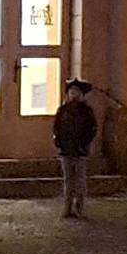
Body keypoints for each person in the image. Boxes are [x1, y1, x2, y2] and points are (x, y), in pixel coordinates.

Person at [52, 79, 98, 219]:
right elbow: (57, 128)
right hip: (66, 150)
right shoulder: (63, 110)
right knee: (68, 180)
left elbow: (92, 129)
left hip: (80, 151)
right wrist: (59, 143)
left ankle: (79, 208)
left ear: (81, 94)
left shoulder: (86, 111)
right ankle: (67, 208)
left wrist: (84, 144)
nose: (73, 94)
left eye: (76, 92)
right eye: (71, 92)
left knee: (80, 181)